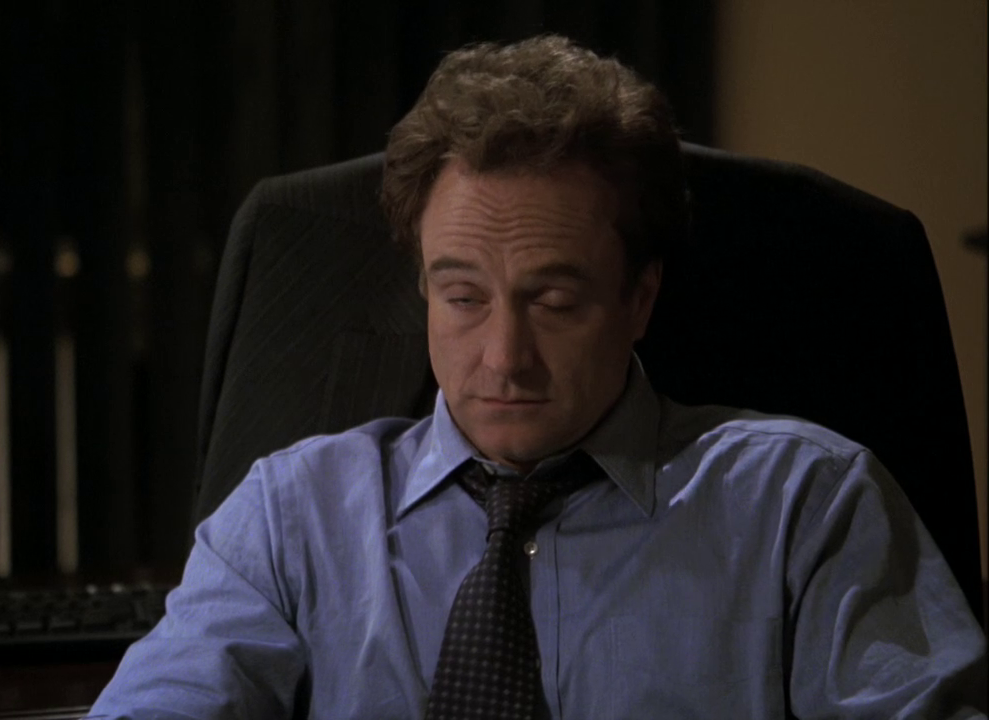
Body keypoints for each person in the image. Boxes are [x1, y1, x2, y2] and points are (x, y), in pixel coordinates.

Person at [89, 35, 987, 719]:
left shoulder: (806, 505)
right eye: (463, 298)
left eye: (554, 302)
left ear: (639, 298)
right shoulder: (291, 516)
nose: (503, 358)